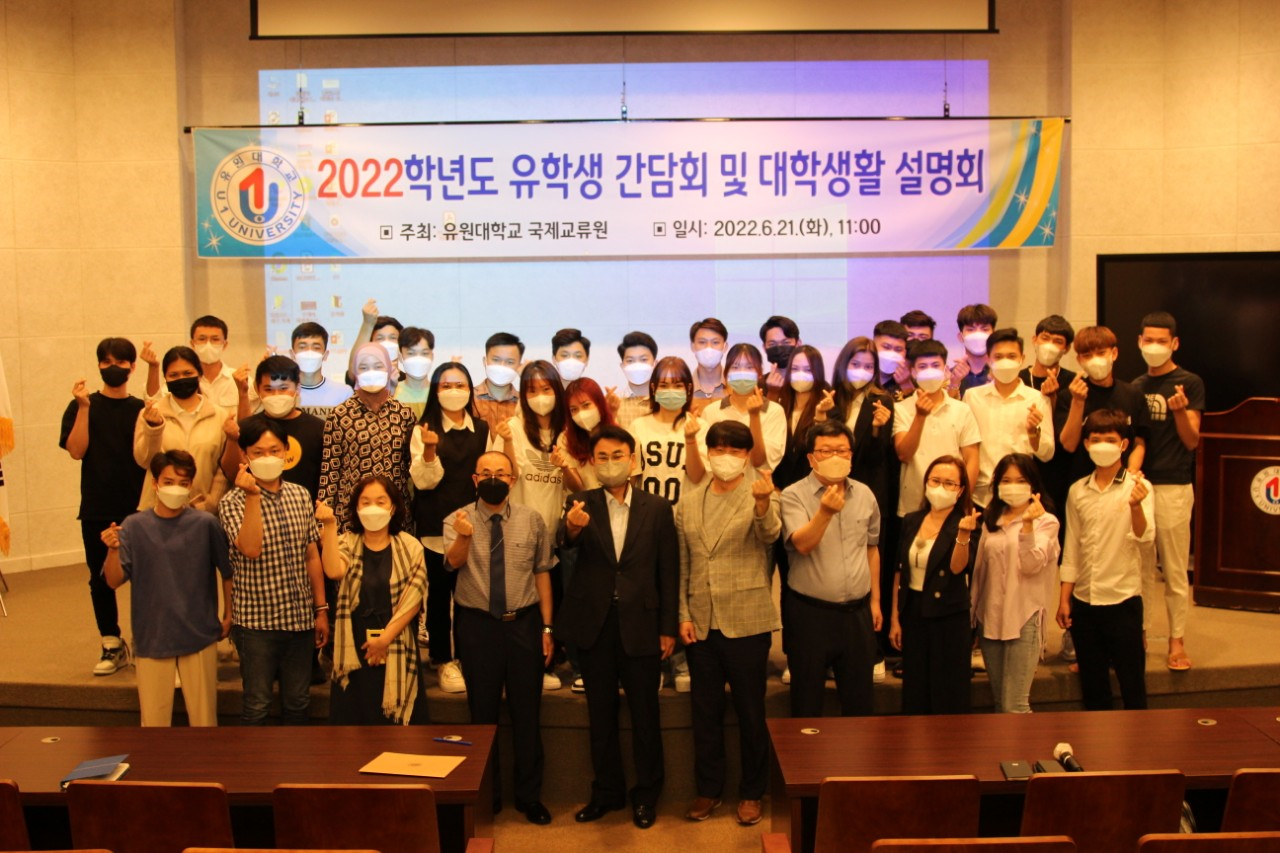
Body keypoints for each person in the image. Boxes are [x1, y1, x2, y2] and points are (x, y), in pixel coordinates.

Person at [556, 425, 678, 830]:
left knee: (645, 716)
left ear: (633, 459)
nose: (610, 464)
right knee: (601, 716)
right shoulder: (579, 502)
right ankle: (606, 792)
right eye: (602, 457)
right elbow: (566, 544)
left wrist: (667, 627)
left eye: (618, 456)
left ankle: (646, 795)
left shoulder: (657, 508)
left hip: (642, 624)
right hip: (595, 625)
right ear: (592, 462)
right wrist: (573, 528)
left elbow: (668, 570)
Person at [676, 421, 780, 827]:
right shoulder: (689, 501)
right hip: (702, 622)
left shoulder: (763, 492)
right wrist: (683, 613)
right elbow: (685, 562)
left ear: (747, 455)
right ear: (707, 452)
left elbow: (770, 536)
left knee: (751, 712)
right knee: (705, 713)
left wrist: (763, 505)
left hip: (746, 620)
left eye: (735, 450)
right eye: (718, 449)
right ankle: (708, 789)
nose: (725, 456)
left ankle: (752, 792)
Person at [443, 450, 555, 825]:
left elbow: (542, 573)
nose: (494, 478)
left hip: (524, 624)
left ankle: (530, 797)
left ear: (513, 479)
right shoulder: (456, 518)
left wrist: (547, 627)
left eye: (501, 473)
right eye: (486, 473)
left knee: (527, 713)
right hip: (477, 626)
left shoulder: (532, 519)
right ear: (475, 480)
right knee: (482, 715)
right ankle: (485, 796)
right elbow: (452, 563)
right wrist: (464, 536)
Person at [101, 450, 233, 727]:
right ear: (155, 483)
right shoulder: (134, 526)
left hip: (198, 632)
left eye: (183, 483)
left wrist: (229, 614)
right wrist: (113, 550)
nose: (176, 489)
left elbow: (228, 571)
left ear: (191, 485)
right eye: (169, 481)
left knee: (205, 722)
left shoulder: (205, 524)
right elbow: (113, 581)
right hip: (153, 635)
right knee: (154, 724)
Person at [218, 418, 328, 725]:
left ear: (285, 452)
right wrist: (253, 496)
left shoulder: (300, 495)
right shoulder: (231, 502)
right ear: (245, 455)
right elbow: (250, 548)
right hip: (256, 623)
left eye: (274, 450)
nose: (267, 457)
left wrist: (320, 609)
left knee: (298, 702)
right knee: (257, 704)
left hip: (299, 620)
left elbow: (311, 555)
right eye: (258, 452)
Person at [780, 420, 883, 717]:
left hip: (857, 613)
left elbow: (871, 548)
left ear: (851, 455)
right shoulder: (793, 495)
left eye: (842, 450)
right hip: (810, 614)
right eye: (826, 451)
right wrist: (824, 513)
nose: (835, 457)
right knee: (807, 703)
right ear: (811, 458)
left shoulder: (865, 494)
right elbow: (802, 544)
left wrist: (875, 601)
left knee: (860, 704)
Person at [60, 337, 147, 675]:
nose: (113, 367)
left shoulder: (141, 408)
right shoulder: (82, 405)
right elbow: (76, 451)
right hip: (97, 507)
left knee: (145, 577)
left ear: (132, 367)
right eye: (107, 361)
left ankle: (146, 641)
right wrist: (83, 407)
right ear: (99, 365)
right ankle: (111, 643)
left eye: (120, 362)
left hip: (139, 508)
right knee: (100, 579)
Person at [1057, 409, 1154, 711]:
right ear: (1086, 444)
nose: (1102, 445)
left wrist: (1135, 506)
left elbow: (1145, 537)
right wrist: (1064, 598)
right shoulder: (1077, 491)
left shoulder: (1139, 487)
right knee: (1094, 688)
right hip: (1085, 601)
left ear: (1123, 445)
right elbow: (1072, 547)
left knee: (1132, 685)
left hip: (1123, 599)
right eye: (1096, 439)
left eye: (1110, 440)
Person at [318, 475, 428, 724]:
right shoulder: (346, 542)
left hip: (396, 640)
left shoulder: (411, 547)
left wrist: (384, 640)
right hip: (355, 645)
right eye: (365, 502)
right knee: (354, 722)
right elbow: (334, 571)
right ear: (357, 508)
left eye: (380, 502)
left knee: (396, 726)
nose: (373, 508)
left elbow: (413, 601)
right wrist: (330, 526)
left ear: (393, 507)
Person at [820, 336, 897, 681]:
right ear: (843, 363)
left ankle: (872, 649)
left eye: (868, 366)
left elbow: (880, 460)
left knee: (869, 567)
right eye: (856, 364)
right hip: (829, 492)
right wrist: (822, 416)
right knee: (831, 569)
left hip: (868, 493)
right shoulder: (831, 397)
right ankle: (830, 652)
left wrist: (879, 430)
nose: (861, 371)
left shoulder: (882, 400)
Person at [1131, 311, 1204, 672]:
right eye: (1149, 340)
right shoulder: (1135, 386)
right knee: (1141, 568)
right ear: (1139, 342)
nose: (1155, 347)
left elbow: (1192, 441)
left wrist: (1180, 411)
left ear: (1174, 343)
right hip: (1142, 485)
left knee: (1174, 569)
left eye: (1162, 341)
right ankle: (1141, 634)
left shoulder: (1189, 383)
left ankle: (1177, 640)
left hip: (1175, 484)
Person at [493, 360, 570, 692]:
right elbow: (504, 478)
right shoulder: (511, 427)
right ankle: (529, 666)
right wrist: (507, 442)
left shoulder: (566, 430)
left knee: (555, 603)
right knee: (524, 606)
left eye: (546, 389)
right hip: (518, 535)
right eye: (532, 390)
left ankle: (552, 661)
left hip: (558, 534)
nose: (540, 396)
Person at [409, 362, 489, 672]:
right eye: (446, 386)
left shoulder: (481, 429)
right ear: (435, 391)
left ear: (470, 390)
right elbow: (423, 482)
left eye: (460, 385)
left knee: (471, 594)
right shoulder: (424, 429)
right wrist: (430, 450)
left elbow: (488, 477)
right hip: (434, 525)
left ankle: (470, 656)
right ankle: (442, 658)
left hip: (473, 524)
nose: (453, 391)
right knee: (439, 596)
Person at [970, 453, 1061, 713]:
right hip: (990, 618)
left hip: (1024, 617)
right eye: (1006, 480)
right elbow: (981, 570)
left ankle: (1025, 743)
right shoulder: (991, 519)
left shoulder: (1046, 522)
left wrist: (1028, 525)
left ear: (1033, 485)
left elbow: (1032, 564)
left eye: (1020, 481)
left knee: (1015, 705)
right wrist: (973, 614)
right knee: (1001, 702)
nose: (1013, 486)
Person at [889, 455, 976, 715]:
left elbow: (957, 568)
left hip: (948, 617)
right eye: (935, 481)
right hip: (914, 611)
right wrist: (895, 618)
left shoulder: (966, 522)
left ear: (960, 490)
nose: (940, 487)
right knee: (915, 690)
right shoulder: (911, 520)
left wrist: (963, 534)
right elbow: (900, 571)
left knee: (947, 692)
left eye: (949, 483)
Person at [317, 342, 416, 532]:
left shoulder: (404, 414)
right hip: (351, 514)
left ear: (389, 369)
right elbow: (330, 472)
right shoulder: (339, 415)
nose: (371, 372)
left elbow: (411, 469)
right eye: (363, 367)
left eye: (378, 366)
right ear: (354, 372)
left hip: (394, 512)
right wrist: (323, 523)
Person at [963, 328, 1055, 508]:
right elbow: (964, 448)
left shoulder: (1037, 399)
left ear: (1022, 359)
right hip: (980, 495)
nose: (1005, 362)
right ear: (988, 359)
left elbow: (1047, 454)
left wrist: (1033, 433)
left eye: (1012, 356)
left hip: (1019, 494)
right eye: (998, 357)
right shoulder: (972, 397)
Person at [133, 346, 230, 512]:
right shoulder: (150, 413)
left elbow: (223, 468)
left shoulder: (220, 415)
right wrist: (154, 429)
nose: (181, 379)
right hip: (157, 510)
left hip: (203, 510)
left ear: (199, 374)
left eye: (187, 373)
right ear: (165, 378)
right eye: (174, 375)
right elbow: (145, 461)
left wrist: (211, 502)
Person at [892, 339, 981, 519]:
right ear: (913, 372)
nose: (930, 371)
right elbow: (904, 454)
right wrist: (920, 416)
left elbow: (972, 459)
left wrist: (962, 499)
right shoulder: (900, 409)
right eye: (922, 367)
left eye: (935, 366)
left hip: (953, 502)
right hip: (912, 504)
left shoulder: (962, 409)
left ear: (945, 370)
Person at [222, 356, 324, 499]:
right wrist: (232, 439)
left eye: (283, 388)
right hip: (254, 505)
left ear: (297, 388)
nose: (276, 395)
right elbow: (232, 474)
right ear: (258, 390)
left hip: (304, 508)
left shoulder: (319, 429)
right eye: (268, 389)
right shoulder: (246, 426)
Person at [1057, 325, 1150, 483]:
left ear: (1114, 353)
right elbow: (1069, 445)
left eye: (1101, 353)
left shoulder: (1133, 394)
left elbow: (1139, 442)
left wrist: (1132, 471)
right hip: (1082, 483)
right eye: (1087, 355)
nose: (1095, 360)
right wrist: (1078, 402)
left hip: (1122, 482)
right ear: (1079, 360)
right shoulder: (1068, 396)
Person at [630, 356, 707, 506]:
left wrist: (690, 439)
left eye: (678, 386)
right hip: (647, 512)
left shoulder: (700, 427)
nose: (671, 391)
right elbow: (631, 478)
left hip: (685, 513)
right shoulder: (638, 426)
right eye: (664, 386)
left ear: (688, 389)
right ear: (653, 388)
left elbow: (697, 476)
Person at [700, 343, 786, 473]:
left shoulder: (774, 411)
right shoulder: (711, 411)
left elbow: (758, 462)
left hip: (756, 484)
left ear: (760, 373)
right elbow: (706, 460)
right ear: (726, 373)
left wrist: (754, 415)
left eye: (749, 367)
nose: (742, 373)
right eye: (735, 367)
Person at [145, 315, 248, 418]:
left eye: (215, 339)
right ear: (192, 343)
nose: (208, 344)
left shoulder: (238, 379)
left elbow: (250, 420)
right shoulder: (185, 379)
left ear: (224, 344)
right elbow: (155, 401)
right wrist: (153, 367)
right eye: (202, 339)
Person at [562, 377, 619, 492]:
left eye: (586, 405)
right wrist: (564, 468)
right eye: (574, 409)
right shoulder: (566, 439)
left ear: (599, 403)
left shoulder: (618, 433)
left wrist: (613, 412)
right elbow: (577, 488)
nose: (581, 414)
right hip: (583, 501)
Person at [289, 321, 352, 413]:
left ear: (325, 355)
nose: (309, 352)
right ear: (292, 354)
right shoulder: (283, 393)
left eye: (316, 348)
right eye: (302, 347)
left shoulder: (344, 393)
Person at [473, 332, 524, 434]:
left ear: (519, 366)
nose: (502, 366)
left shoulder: (524, 403)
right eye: (496, 360)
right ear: (485, 361)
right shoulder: (469, 398)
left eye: (510, 362)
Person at [950, 303, 998, 397]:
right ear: (961, 337)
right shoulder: (951, 376)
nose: (978, 335)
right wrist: (954, 384)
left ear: (993, 335)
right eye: (971, 330)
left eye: (985, 329)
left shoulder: (1002, 373)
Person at [614, 331, 658, 429]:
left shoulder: (665, 401)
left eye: (644, 359)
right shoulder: (614, 403)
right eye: (630, 361)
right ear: (622, 366)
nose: (637, 365)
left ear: (655, 364)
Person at [393, 326, 436, 420]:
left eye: (424, 353)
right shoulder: (392, 393)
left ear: (432, 356)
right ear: (400, 357)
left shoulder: (439, 392)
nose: (418, 359)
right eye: (411, 353)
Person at [689, 317, 729, 408]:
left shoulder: (736, 387)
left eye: (715, 342)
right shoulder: (683, 389)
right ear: (693, 347)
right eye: (702, 342)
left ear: (725, 347)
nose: (709, 348)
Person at [759, 315, 801, 399]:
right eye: (772, 344)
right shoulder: (759, 386)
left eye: (786, 342)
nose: (779, 348)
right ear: (764, 348)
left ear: (798, 344)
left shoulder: (815, 384)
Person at [872, 320, 913, 399]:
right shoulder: (862, 377)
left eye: (898, 349)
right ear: (873, 346)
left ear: (904, 353)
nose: (892, 354)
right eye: (886, 347)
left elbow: (915, 405)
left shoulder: (910, 381)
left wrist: (905, 384)